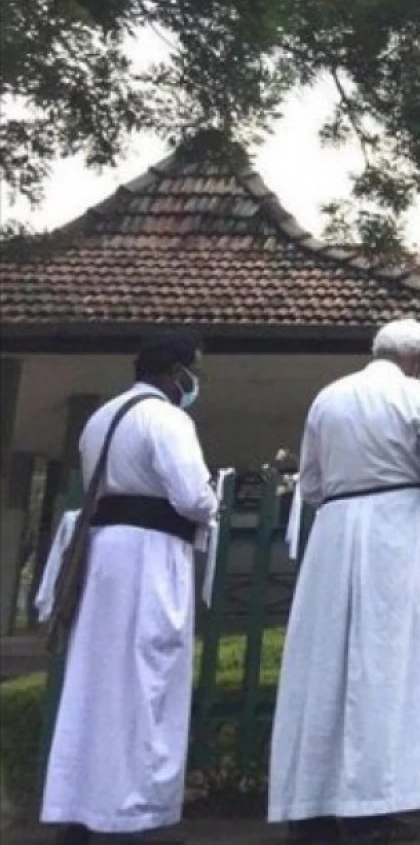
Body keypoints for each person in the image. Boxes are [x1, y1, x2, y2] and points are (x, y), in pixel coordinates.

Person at [267, 320, 420, 844]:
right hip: (395, 533)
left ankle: (307, 808)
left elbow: (308, 484)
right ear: (417, 359)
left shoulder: (328, 398)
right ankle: (369, 809)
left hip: (333, 532)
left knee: (323, 667)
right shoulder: (418, 395)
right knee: (384, 666)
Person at [41, 331, 220, 845]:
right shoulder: (166, 418)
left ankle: (81, 805)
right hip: (149, 555)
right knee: (148, 679)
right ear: (175, 372)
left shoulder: (102, 418)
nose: (195, 383)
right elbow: (193, 497)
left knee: (97, 680)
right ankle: (134, 811)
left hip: (105, 554)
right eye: (194, 372)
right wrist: (213, 502)